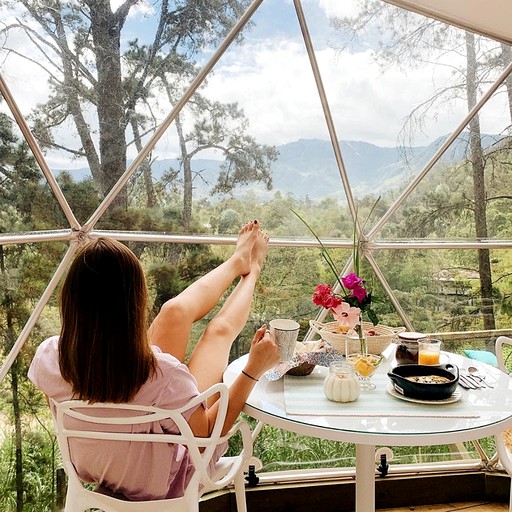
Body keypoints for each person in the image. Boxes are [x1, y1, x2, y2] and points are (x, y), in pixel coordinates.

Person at [28, 220, 280, 501]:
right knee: (218, 334)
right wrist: (253, 370)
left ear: (70, 301)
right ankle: (253, 270)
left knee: (174, 311)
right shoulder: (163, 375)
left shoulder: (49, 356)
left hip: (97, 466)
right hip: (168, 480)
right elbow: (205, 437)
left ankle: (238, 262)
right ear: (134, 304)